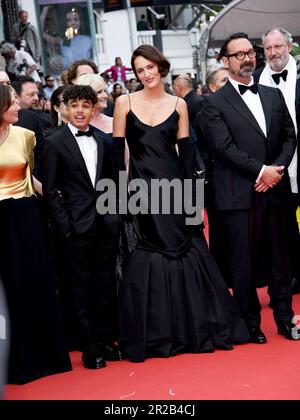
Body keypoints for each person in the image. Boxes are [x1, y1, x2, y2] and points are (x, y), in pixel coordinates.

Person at [113, 44, 250, 363]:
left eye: (150, 67)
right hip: (142, 191)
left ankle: (196, 330)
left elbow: (187, 156)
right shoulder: (124, 102)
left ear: (161, 67)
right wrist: (122, 199)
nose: (145, 74)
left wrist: (192, 201)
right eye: (139, 70)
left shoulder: (179, 105)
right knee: (153, 249)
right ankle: (160, 333)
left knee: (187, 248)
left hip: (175, 189)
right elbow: (117, 156)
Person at [200, 32, 300, 343]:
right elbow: (223, 147)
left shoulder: (272, 95)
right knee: (242, 263)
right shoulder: (213, 103)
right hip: (238, 195)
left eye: (250, 52)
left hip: (275, 191)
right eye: (239, 54)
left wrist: (276, 171)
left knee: (280, 259)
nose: (247, 58)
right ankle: (251, 322)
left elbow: (289, 137)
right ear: (225, 61)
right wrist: (261, 171)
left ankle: (285, 318)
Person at [42, 85, 122, 369]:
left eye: (85, 106)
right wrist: (64, 226)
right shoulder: (53, 142)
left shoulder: (104, 140)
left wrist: (113, 215)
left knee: (104, 286)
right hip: (75, 228)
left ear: (93, 108)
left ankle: (105, 341)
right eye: (74, 105)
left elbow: (112, 182)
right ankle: (88, 347)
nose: (79, 111)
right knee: (80, 288)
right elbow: (50, 190)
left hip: (105, 225)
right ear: (64, 107)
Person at [0, 84, 72, 383]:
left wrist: (59, 198)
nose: (19, 106)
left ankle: (43, 358)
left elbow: (33, 177)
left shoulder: (25, 135)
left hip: (25, 217)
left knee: (32, 283)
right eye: (12, 102)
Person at [254, 27, 300, 295]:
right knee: (284, 226)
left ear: (290, 46)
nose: (273, 53)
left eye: (278, 47)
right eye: (268, 48)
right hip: (277, 166)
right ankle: (293, 273)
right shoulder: (258, 79)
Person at [41, 6, 92, 71]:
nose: (73, 23)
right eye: (69, 20)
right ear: (65, 24)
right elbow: (41, 33)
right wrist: (45, 9)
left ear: (80, 22)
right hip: (69, 76)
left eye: (76, 19)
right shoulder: (62, 41)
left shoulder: (89, 40)